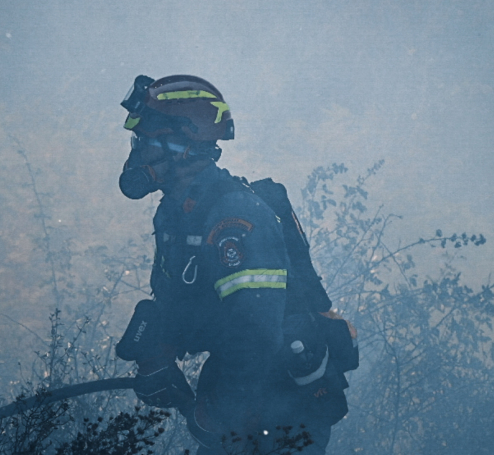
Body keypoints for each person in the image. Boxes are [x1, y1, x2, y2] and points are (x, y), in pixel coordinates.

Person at [114, 75, 356, 454]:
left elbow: (257, 333)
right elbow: (188, 303)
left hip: (284, 404)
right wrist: (158, 352)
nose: (136, 153)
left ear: (182, 147)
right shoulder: (175, 214)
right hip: (239, 388)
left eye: (145, 141)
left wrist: (219, 411)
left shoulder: (235, 218)